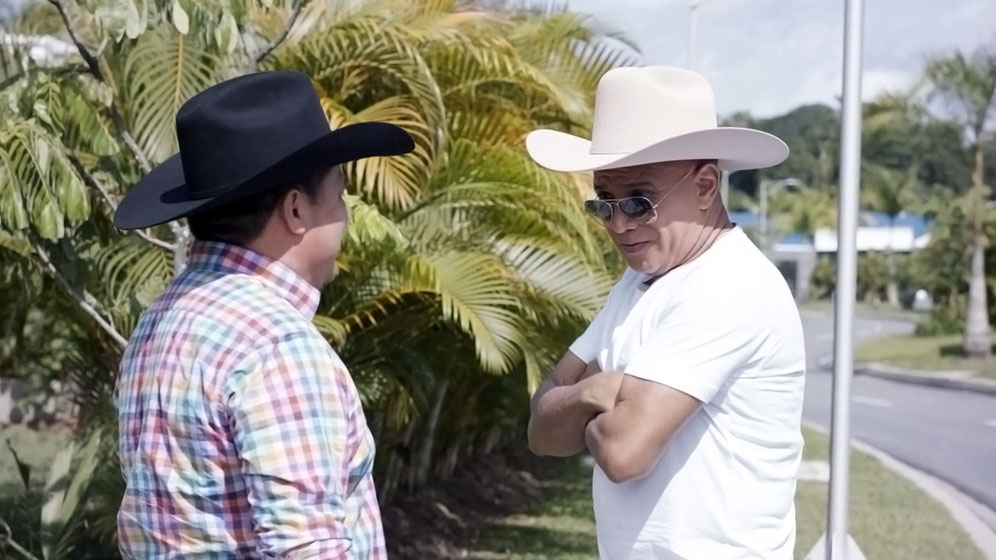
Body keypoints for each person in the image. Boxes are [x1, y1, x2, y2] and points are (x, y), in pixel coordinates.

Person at [111, 70, 414, 559]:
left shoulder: (160, 322)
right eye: (339, 195)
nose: (345, 216)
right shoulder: (278, 347)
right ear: (295, 210)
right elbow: (307, 549)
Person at [524, 66, 806, 559]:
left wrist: (580, 401)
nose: (618, 225)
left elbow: (623, 453)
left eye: (638, 202)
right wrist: (597, 391)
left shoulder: (728, 285)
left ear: (705, 186)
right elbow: (541, 432)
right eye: (603, 203)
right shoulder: (639, 282)